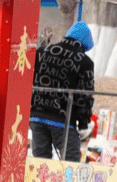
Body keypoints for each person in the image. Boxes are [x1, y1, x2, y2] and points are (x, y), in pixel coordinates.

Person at [30, 21, 96, 162]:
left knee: (40, 163)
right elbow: (84, 97)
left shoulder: (42, 52)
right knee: (71, 163)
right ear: (83, 45)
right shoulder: (84, 62)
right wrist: (83, 123)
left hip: (36, 117)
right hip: (62, 120)